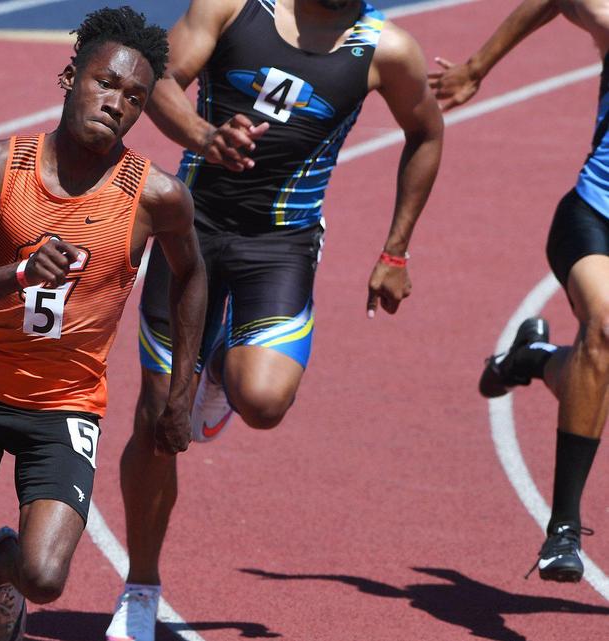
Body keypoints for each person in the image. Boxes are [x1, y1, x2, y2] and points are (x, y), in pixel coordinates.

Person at [109, 0, 445, 637]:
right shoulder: (233, 7)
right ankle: (141, 589)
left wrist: (396, 250)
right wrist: (204, 137)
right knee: (157, 421)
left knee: (263, 402)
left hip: (281, 243)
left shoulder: (387, 50)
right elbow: (158, 75)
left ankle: (217, 372)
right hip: (191, 227)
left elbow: (427, 133)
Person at [0, 7, 207, 641]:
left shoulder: (156, 197)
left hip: (64, 405)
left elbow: (191, 274)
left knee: (44, 576)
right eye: (105, 83)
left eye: (134, 98)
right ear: (70, 77)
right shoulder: (1, 166)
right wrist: (19, 273)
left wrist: (181, 386)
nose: (116, 104)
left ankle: (3, 566)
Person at [429, 0, 609, 583]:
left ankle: (534, 358)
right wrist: (477, 67)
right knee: (606, 330)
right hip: (594, 218)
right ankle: (563, 530)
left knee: (594, 375)